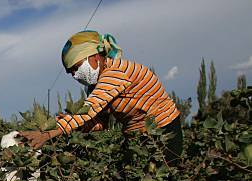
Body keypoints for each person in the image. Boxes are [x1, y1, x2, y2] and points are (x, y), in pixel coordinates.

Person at [20, 31, 183, 164]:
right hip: (136, 137)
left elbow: (90, 109)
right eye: (71, 72)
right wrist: (71, 125)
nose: (75, 75)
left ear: (95, 57)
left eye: (76, 68)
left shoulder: (116, 73)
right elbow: (100, 122)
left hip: (163, 132)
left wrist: (47, 134)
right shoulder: (95, 86)